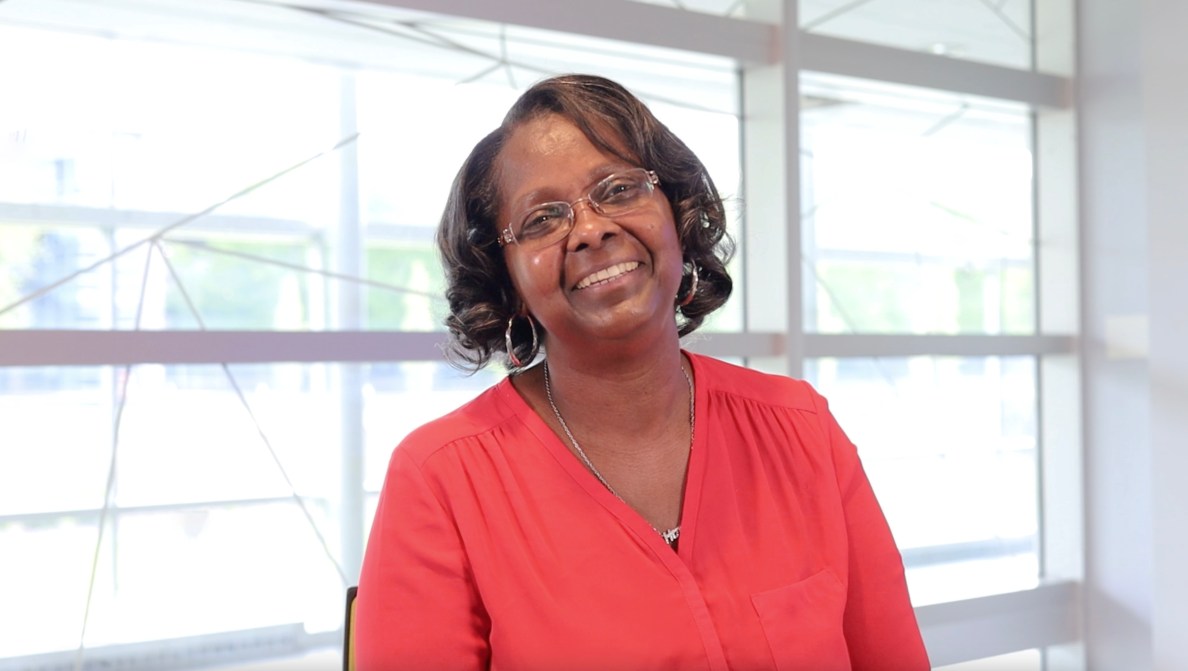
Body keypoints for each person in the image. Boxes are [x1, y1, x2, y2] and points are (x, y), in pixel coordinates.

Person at [355, 74, 929, 670]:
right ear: (508, 280)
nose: (591, 229)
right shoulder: (442, 478)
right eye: (542, 220)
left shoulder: (802, 429)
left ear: (678, 216)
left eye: (619, 189)